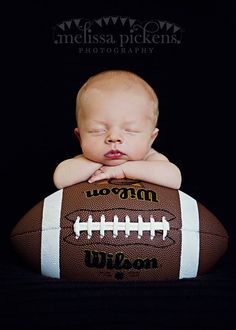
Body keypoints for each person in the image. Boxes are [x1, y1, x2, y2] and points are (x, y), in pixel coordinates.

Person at [53, 70, 182, 189]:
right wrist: (98, 164)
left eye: (130, 130)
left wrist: (120, 169)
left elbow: (174, 178)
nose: (114, 137)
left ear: (151, 138)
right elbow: (60, 179)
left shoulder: (151, 159)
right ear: (80, 137)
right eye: (98, 130)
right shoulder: (86, 161)